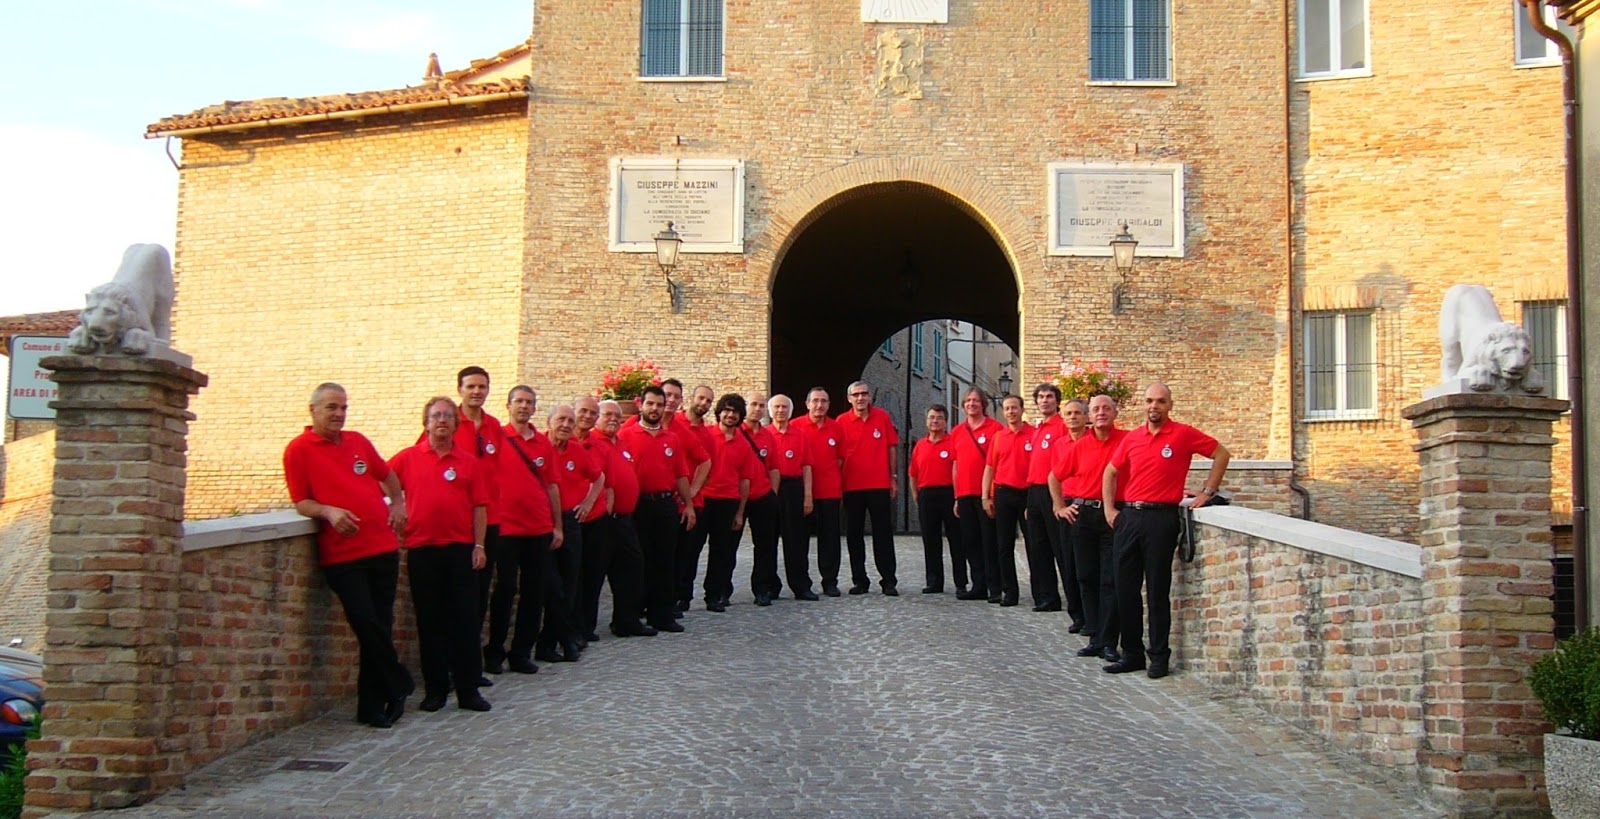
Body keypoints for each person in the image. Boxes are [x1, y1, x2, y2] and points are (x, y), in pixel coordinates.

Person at [283, 383, 413, 729]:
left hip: (382, 547)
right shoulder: (298, 450)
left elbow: (389, 476)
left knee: (380, 626)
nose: (339, 414)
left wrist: (398, 504)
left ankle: (372, 706)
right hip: (343, 554)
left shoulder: (358, 442)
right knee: (364, 622)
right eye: (331, 407)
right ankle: (398, 680)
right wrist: (328, 511)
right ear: (313, 410)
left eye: (343, 407)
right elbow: (301, 501)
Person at [1102, 383, 1231, 679]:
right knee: (1125, 589)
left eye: (1160, 401)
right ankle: (1131, 654)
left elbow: (1221, 454)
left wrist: (1207, 492)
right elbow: (1110, 472)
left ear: (1170, 405)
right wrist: (1110, 510)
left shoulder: (1183, 434)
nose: (1154, 406)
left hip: (1161, 519)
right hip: (1130, 517)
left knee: (1158, 590)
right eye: (1149, 400)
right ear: (1143, 404)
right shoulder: (1133, 438)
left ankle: (1159, 656)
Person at [389, 396, 492, 713]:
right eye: (436, 416)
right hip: (422, 550)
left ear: (456, 423)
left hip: (461, 550)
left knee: (466, 621)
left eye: (448, 415)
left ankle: (468, 690)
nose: (442, 420)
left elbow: (479, 507)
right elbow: (381, 482)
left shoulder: (468, 462)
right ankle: (435, 690)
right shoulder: (407, 458)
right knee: (429, 622)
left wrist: (479, 545)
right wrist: (396, 505)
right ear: (426, 423)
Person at [485, 385, 563, 676]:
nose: (524, 406)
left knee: (534, 593)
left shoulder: (543, 443)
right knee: (505, 590)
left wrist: (557, 526)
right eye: (519, 401)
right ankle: (494, 652)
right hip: (505, 527)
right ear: (508, 406)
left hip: (538, 528)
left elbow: (552, 486)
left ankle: (521, 653)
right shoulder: (497, 439)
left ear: (534, 408)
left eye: (529, 402)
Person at [1051, 394, 1127, 662]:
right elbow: (1054, 477)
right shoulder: (1080, 445)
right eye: (1096, 409)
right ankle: (1094, 636)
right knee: (1085, 576)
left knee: (1110, 579)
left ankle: (1109, 641)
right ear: (1090, 416)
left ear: (1115, 412)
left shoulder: (1127, 440)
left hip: (1113, 515)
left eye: (1107, 408)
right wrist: (1059, 507)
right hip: (1083, 516)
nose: (1101, 413)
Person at [616, 385, 695, 633]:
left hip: (664, 504)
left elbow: (680, 474)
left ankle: (661, 615)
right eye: (650, 404)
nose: (655, 409)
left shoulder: (671, 439)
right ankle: (630, 616)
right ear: (640, 405)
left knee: (665, 560)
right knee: (635, 562)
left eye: (659, 405)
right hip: (637, 505)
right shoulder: (625, 435)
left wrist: (689, 505)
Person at [538, 403, 602, 663]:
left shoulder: (576, 450)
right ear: (549, 422)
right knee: (551, 587)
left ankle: (553, 642)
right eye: (561, 420)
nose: (565, 425)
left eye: (569, 421)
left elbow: (598, 478)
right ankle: (562, 640)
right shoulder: (538, 448)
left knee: (569, 584)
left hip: (570, 521)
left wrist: (588, 503)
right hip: (543, 523)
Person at [455, 367, 507, 649]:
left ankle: (470, 658)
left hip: (489, 519)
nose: (477, 392)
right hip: (457, 521)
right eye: (471, 386)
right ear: (460, 390)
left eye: (482, 387)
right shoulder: (447, 422)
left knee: (480, 592)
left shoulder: (493, 426)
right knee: (457, 594)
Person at [595, 399, 654, 637]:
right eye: (607, 414)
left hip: (625, 519)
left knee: (631, 569)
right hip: (604, 519)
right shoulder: (592, 442)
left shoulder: (621, 442)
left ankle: (626, 621)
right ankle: (584, 627)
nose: (612, 419)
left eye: (616, 416)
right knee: (595, 574)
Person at [836, 380, 900, 595]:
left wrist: (893, 477)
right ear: (849, 399)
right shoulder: (841, 422)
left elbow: (891, 447)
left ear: (870, 396)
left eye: (864, 394)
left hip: (879, 484)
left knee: (883, 534)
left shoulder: (882, 417)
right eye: (856, 395)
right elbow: (837, 458)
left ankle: (888, 580)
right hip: (851, 486)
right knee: (854, 535)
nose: (860, 398)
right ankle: (860, 580)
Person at [700, 394, 762, 611]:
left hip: (728, 501)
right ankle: (682, 596)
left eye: (735, 412)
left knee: (721, 552)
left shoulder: (743, 444)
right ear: (719, 412)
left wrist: (740, 512)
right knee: (691, 550)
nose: (730, 415)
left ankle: (714, 595)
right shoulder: (706, 435)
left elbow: (745, 480)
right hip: (704, 499)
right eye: (726, 410)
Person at [981, 394, 1033, 607]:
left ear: (1022, 410)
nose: (1011, 412)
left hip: (1028, 494)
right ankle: (1009, 592)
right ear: (1003, 412)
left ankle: (1041, 592)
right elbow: (989, 468)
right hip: (1004, 494)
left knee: (1033, 545)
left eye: (1014, 408)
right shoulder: (999, 437)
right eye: (1007, 408)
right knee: (1004, 545)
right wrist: (985, 496)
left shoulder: (1034, 435)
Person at [668, 381, 716, 612]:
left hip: (691, 502)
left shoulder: (707, 434)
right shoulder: (673, 423)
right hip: (668, 499)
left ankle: (682, 596)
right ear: (691, 399)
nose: (704, 403)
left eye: (708, 401)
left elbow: (708, 465)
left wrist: (693, 492)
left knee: (688, 553)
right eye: (701, 398)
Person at [794, 387, 846, 596]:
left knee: (830, 539)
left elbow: (840, 459)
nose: (819, 405)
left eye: (824, 401)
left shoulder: (836, 428)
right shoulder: (796, 426)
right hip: (802, 492)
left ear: (829, 405)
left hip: (829, 491)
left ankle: (830, 581)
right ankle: (802, 583)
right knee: (800, 539)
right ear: (807, 404)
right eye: (815, 401)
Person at [766, 394, 818, 600]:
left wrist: (808, 495)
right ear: (770, 410)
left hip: (793, 488)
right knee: (768, 540)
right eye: (777, 407)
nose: (781, 410)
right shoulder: (764, 434)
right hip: (769, 488)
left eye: (784, 407)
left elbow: (807, 466)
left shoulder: (800, 435)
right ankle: (769, 586)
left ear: (790, 411)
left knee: (796, 540)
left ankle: (801, 585)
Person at [1023, 385, 1070, 615]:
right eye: (1041, 397)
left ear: (1057, 401)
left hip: (1053, 491)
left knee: (1059, 547)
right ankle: (1047, 597)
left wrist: (1058, 499)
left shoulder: (1062, 426)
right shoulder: (1037, 429)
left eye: (1049, 397)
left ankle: (1073, 598)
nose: (1045, 401)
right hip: (1034, 491)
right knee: (1038, 547)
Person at [951, 387, 1000, 600]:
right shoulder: (957, 431)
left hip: (985, 495)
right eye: (968, 401)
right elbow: (955, 465)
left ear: (983, 404)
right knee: (970, 542)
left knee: (989, 541)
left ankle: (995, 587)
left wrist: (991, 494)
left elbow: (998, 463)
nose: (971, 404)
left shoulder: (995, 429)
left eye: (976, 401)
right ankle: (978, 585)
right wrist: (956, 496)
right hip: (964, 494)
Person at [909, 404, 960, 594]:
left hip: (949, 494)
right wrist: (916, 494)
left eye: (939, 418)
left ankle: (960, 582)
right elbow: (913, 473)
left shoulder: (953, 442)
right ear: (926, 421)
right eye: (931, 417)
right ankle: (934, 582)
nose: (935, 421)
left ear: (946, 422)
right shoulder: (920, 445)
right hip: (926, 495)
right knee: (930, 540)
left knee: (956, 540)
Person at [574, 396, 612, 644]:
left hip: (596, 519)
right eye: (583, 411)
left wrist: (600, 507)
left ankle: (586, 627)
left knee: (593, 574)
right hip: (569, 519)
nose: (587, 416)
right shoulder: (558, 440)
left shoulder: (599, 446)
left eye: (592, 413)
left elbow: (606, 482)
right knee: (572, 576)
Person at [742, 391, 784, 606]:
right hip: (738, 498)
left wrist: (772, 495)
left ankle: (762, 588)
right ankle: (721, 590)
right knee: (727, 546)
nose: (757, 409)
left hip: (762, 497)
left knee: (765, 546)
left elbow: (774, 468)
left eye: (761, 405)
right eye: (753, 404)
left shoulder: (768, 435)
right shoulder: (737, 432)